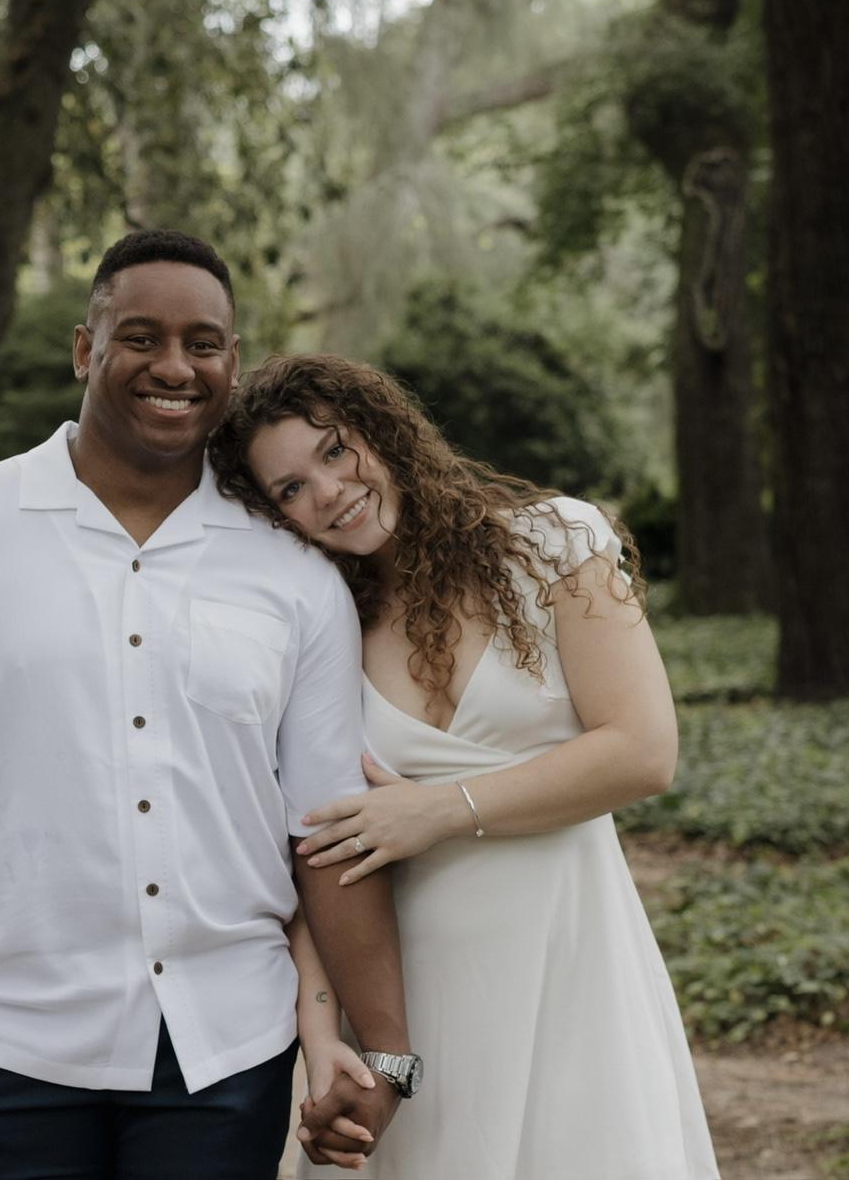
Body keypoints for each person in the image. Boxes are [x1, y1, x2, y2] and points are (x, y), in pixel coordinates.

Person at [0, 234, 416, 1180]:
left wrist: (384, 1050)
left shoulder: (295, 574)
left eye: (203, 343)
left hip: (225, 1050)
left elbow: (328, 832)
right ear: (85, 349)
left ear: (232, 361)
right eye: (141, 337)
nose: (175, 367)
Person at [208, 354, 722, 1180]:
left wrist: (439, 809)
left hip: (572, 968)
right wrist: (325, 1031)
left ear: (384, 432)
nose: (329, 491)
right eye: (291, 488)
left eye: (335, 451)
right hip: (417, 996)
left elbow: (642, 751)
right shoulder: (320, 624)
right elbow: (315, 850)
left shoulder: (553, 546)